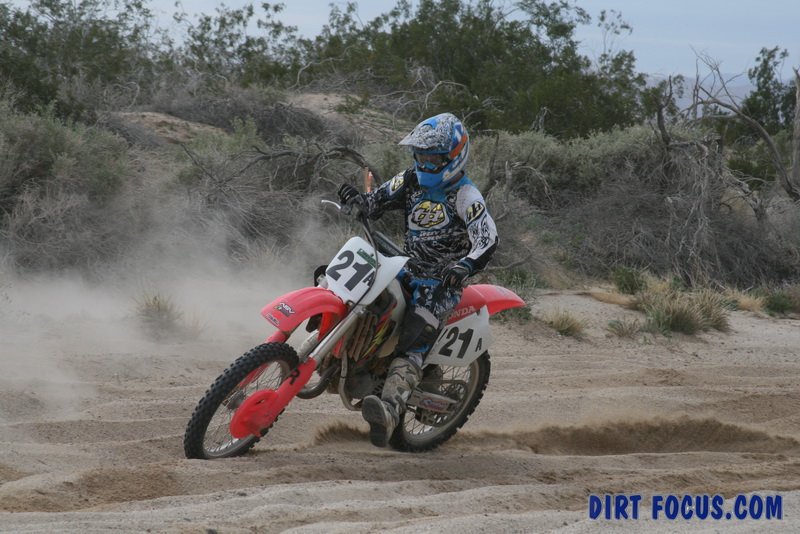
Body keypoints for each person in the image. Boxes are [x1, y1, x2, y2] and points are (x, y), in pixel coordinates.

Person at [337, 112, 498, 448]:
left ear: (454, 156)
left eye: (433, 158)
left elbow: (487, 239)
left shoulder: (467, 196)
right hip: (405, 265)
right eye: (420, 155)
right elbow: (378, 200)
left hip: (440, 283)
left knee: (414, 339)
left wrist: (465, 266)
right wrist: (358, 201)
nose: (425, 163)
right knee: (358, 292)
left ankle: (389, 410)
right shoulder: (411, 179)